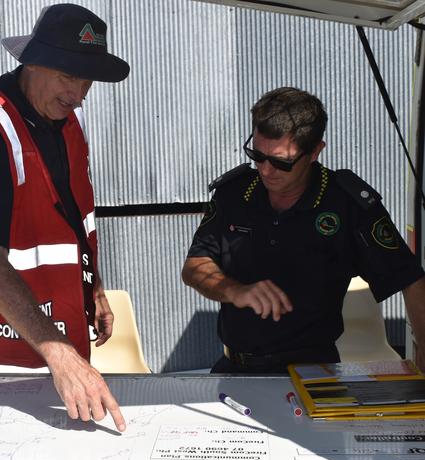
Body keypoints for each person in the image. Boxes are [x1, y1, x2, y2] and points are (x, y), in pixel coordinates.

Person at [0, 3, 130, 431]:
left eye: (87, 79)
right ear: (33, 62)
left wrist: (92, 286)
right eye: (69, 75)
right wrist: (59, 352)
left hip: (59, 331)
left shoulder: (63, 121)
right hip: (6, 347)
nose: (79, 93)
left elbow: (70, 219)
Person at [182, 87, 425, 374]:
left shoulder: (347, 205)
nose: (266, 170)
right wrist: (233, 290)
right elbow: (194, 266)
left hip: (312, 373)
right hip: (234, 369)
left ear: (314, 152)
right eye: (257, 155)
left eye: (281, 162)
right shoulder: (233, 194)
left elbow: (409, 278)